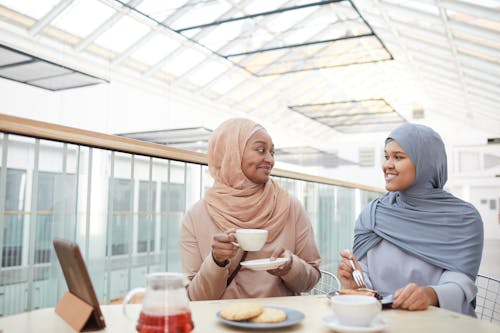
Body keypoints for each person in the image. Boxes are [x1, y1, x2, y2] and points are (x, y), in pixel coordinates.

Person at [337, 123, 483, 316]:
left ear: (426, 163)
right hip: (380, 322)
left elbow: (460, 282)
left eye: (398, 157)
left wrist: (431, 294)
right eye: (387, 156)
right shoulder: (373, 214)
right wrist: (357, 282)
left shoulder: (464, 219)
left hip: (438, 323)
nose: (387, 165)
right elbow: (365, 275)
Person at [180, 118, 321, 300]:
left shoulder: (290, 206)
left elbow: (312, 280)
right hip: (222, 324)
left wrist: (290, 266)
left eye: (272, 152)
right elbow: (195, 298)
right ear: (232, 153)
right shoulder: (196, 216)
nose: (270, 160)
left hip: (279, 322)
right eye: (260, 150)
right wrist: (216, 261)